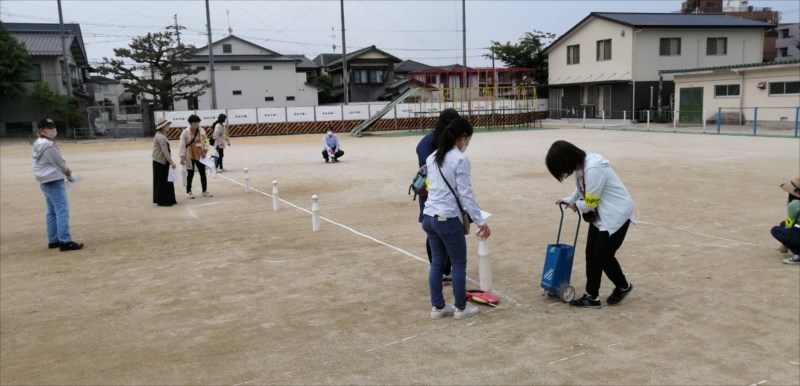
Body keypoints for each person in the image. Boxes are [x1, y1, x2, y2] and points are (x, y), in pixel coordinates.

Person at [546, 140, 634, 309]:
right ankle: (592, 297)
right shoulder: (582, 166)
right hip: (602, 214)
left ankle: (623, 286)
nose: (563, 173)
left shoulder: (593, 169)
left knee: (602, 255)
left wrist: (576, 205)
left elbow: (590, 203)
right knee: (591, 254)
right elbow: (581, 189)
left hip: (616, 214)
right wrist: (569, 200)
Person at [422, 116, 491, 320]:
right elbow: (466, 195)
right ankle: (461, 307)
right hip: (448, 218)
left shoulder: (432, 157)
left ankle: (438, 307)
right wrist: (481, 221)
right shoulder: (460, 159)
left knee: (436, 263)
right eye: (468, 139)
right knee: (458, 263)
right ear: (462, 137)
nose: (467, 143)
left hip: (429, 217)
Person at [416, 108, 460, 285]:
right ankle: (440, 270)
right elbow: (427, 171)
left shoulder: (448, 140)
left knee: (448, 228)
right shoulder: (428, 142)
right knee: (435, 231)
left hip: (447, 193)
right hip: (431, 193)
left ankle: (446, 269)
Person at [31, 118, 84, 252]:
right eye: (49, 127)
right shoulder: (48, 145)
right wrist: (67, 172)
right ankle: (65, 241)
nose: (53, 129)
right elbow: (58, 162)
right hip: (53, 179)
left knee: (52, 212)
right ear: (42, 131)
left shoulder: (38, 142)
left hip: (45, 180)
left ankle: (53, 240)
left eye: (53, 126)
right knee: (62, 210)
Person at [178, 114, 212, 199]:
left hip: (200, 155)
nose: (197, 124)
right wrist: (182, 156)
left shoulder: (202, 130)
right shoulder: (185, 132)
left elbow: (205, 141)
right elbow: (182, 145)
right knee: (190, 174)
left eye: (198, 122)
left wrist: (205, 151)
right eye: (195, 122)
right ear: (191, 123)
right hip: (190, 155)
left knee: (202, 173)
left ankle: (204, 191)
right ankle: (188, 192)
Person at [771, 177, 800, 264]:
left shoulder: (794, 204)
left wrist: (785, 244)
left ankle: (798, 254)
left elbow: (789, 224)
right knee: (782, 224)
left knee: (776, 230)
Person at [152, 118, 177, 207]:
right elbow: (165, 151)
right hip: (161, 162)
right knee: (163, 181)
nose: (168, 126)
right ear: (162, 127)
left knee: (164, 181)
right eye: (167, 125)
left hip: (160, 161)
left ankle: (167, 199)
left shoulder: (161, 134)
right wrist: (171, 162)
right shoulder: (161, 136)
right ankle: (164, 200)